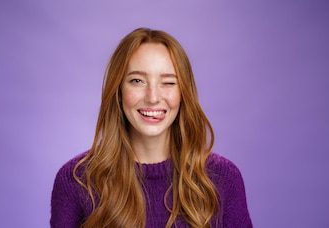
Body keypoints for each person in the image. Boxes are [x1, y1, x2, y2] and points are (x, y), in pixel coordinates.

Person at [50, 27, 252, 228]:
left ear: (184, 93)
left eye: (168, 82)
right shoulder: (76, 181)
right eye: (137, 81)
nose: (153, 97)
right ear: (119, 90)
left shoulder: (223, 178)